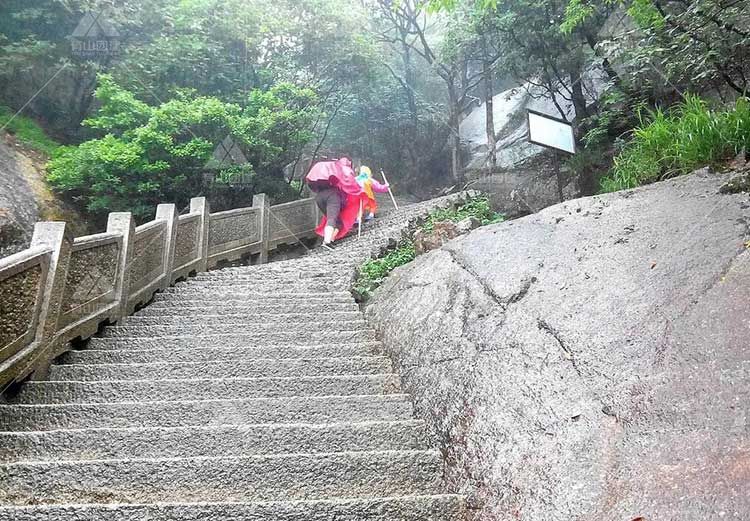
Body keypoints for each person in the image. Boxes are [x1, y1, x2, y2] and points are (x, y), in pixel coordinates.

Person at [305, 157, 368, 246]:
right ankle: (327, 241)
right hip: (332, 196)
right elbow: (349, 182)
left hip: (319, 197)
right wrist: (359, 191)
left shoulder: (319, 171)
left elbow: (310, 184)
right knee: (332, 219)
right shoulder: (338, 169)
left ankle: (331, 240)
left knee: (338, 222)